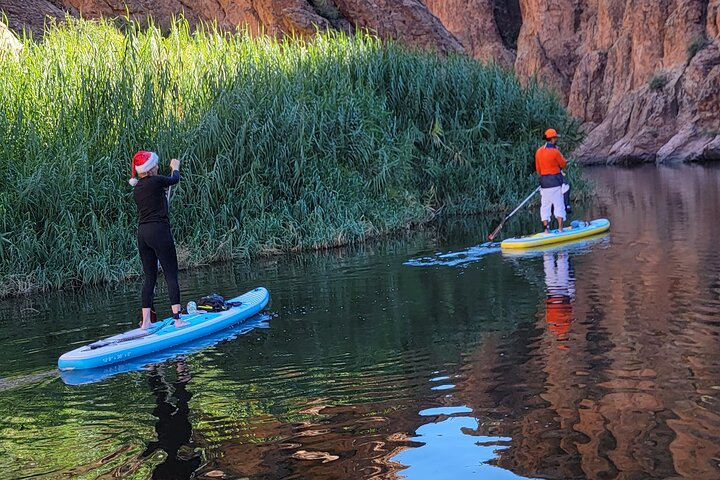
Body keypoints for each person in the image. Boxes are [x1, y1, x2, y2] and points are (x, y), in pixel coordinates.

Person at [129, 150, 188, 330]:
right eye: (155, 164)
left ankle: (146, 322)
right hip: (159, 232)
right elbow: (174, 179)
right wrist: (175, 167)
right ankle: (178, 319)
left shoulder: (137, 187)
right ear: (149, 168)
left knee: (150, 277)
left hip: (143, 234)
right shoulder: (155, 181)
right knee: (171, 274)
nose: (157, 166)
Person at [535, 128, 567, 232]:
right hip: (555, 183)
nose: (556, 139)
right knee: (559, 205)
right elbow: (563, 164)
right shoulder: (555, 152)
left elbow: (538, 170)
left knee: (545, 207)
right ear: (552, 139)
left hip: (544, 183)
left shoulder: (539, 151)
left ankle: (546, 230)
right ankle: (560, 229)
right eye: (555, 138)